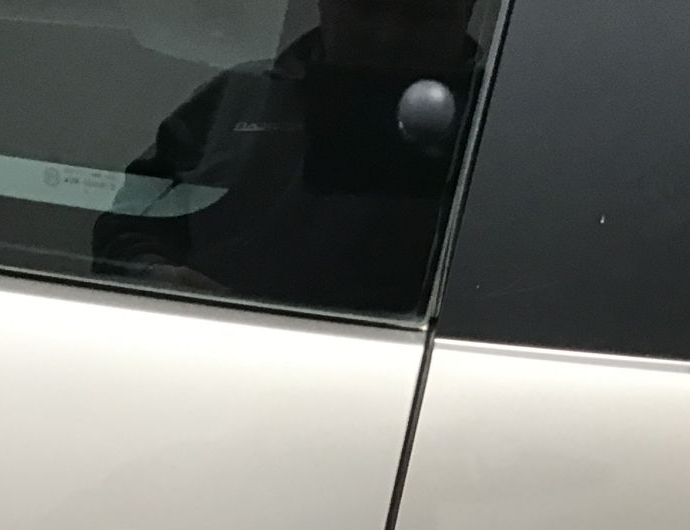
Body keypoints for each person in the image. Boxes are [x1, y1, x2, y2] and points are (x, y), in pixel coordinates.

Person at [93, 0, 477, 316]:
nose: (389, 35)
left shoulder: (493, 129)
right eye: (367, 8)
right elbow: (131, 223)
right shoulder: (239, 96)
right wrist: (155, 274)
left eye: (424, 14)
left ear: (468, 11)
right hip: (203, 343)